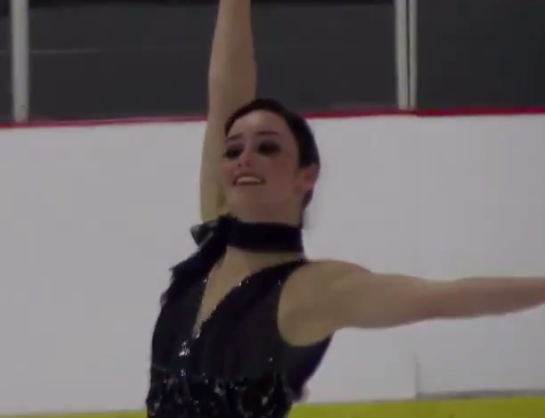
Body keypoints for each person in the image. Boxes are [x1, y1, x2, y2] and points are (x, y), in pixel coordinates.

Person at [146, 0, 545, 417]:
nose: (244, 158)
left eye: (267, 147)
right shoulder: (212, 248)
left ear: (306, 176)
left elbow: (443, 298)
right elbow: (226, 88)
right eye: (232, 150)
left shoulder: (314, 291)